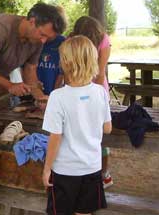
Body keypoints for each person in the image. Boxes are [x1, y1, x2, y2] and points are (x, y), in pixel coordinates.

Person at [42, 35, 112, 215]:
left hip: (65, 170)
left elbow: (55, 138)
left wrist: (47, 168)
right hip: (92, 168)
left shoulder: (57, 97)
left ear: (64, 62)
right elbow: (107, 128)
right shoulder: (100, 93)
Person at [0, 3, 66, 113]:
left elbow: (30, 69)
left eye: (47, 37)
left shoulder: (37, 40)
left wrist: (40, 98)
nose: (43, 41)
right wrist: (10, 86)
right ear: (32, 22)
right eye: (42, 34)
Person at [71, 16, 113, 188]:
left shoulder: (104, 40)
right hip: (76, 88)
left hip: (97, 90)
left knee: (99, 137)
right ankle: (82, 173)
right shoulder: (71, 39)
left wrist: (93, 97)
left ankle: (104, 174)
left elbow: (100, 73)